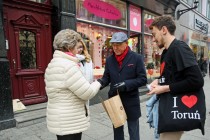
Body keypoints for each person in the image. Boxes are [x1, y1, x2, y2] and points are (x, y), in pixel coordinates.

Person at [148, 15, 204, 140]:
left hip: (176, 110)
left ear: (164, 30)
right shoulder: (167, 52)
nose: (153, 39)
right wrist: (159, 80)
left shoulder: (179, 48)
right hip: (169, 109)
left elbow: (197, 81)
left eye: (154, 34)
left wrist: (164, 88)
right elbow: (171, 76)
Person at [44, 29, 101, 140]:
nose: (78, 50)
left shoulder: (54, 63)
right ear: (69, 47)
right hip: (69, 120)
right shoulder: (68, 66)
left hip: (60, 118)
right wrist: (99, 82)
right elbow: (87, 93)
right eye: (76, 46)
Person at [97, 32, 147, 140]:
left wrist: (126, 84)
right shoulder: (110, 60)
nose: (115, 48)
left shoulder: (136, 58)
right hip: (115, 101)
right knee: (117, 133)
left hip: (131, 101)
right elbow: (107, 77)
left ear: (126, 43)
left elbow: (143, 79)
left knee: (133, 133)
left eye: (118, 44)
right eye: (113, 45)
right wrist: (99, 83)